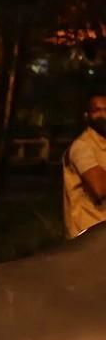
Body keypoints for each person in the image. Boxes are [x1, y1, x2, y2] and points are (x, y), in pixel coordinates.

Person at [63, 91, 106, 238]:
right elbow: (99, 187)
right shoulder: (82, 147)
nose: (103, 115)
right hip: (88, 239)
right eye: (97, 110)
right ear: (87, 116)